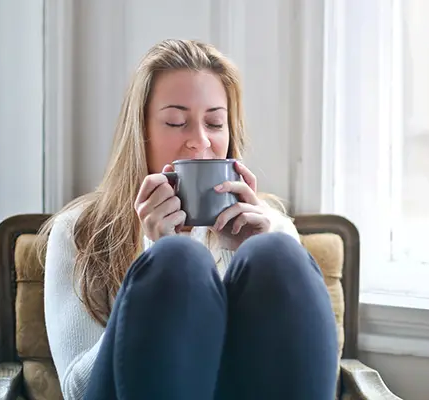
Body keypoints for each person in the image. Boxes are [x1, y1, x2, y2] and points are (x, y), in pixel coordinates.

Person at [39, 39, 339, 400]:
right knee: (177, 261)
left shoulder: (269, 224)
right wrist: (153, 257)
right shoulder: (78, 229)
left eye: (214, 123)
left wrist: (251, 249)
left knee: (277, 251)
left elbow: (301, 370)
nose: (199, 141)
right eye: (176, 122)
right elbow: (77, 390)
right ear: (141, 133)